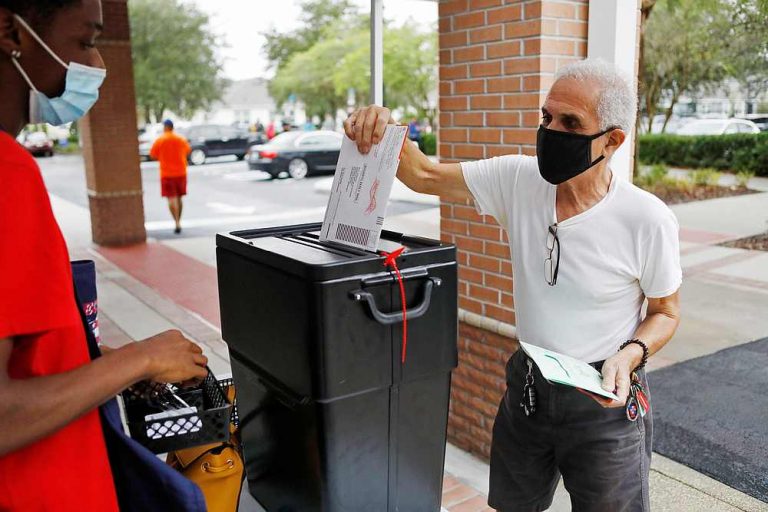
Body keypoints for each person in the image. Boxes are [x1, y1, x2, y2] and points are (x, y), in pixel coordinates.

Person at [345, 59, 682, 511]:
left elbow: (665, 311)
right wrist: (381, 128)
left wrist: (631, 354)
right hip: (528, 389)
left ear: (614, 139)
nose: (551, 130)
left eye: (570, 122)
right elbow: (423, 174)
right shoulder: (518, 179)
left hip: (604, 400)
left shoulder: (647, 218)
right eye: (546, 117)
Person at [0, 1, 209, 510]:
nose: (95, 67)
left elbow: (30, 356)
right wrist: (142, 356)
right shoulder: (9, 174)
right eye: (85, 41)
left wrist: (119, 366)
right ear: (10, 31)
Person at [150, 119, 191, 234]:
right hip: (181, 172)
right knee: (179, 198)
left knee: (171, 199)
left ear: (165, 127)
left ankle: (176, 222)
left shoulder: (160, 140)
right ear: (172, 127)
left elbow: (153, 154)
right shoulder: (181, 139)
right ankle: (179, 221)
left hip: (167, 174)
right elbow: (188, 150)